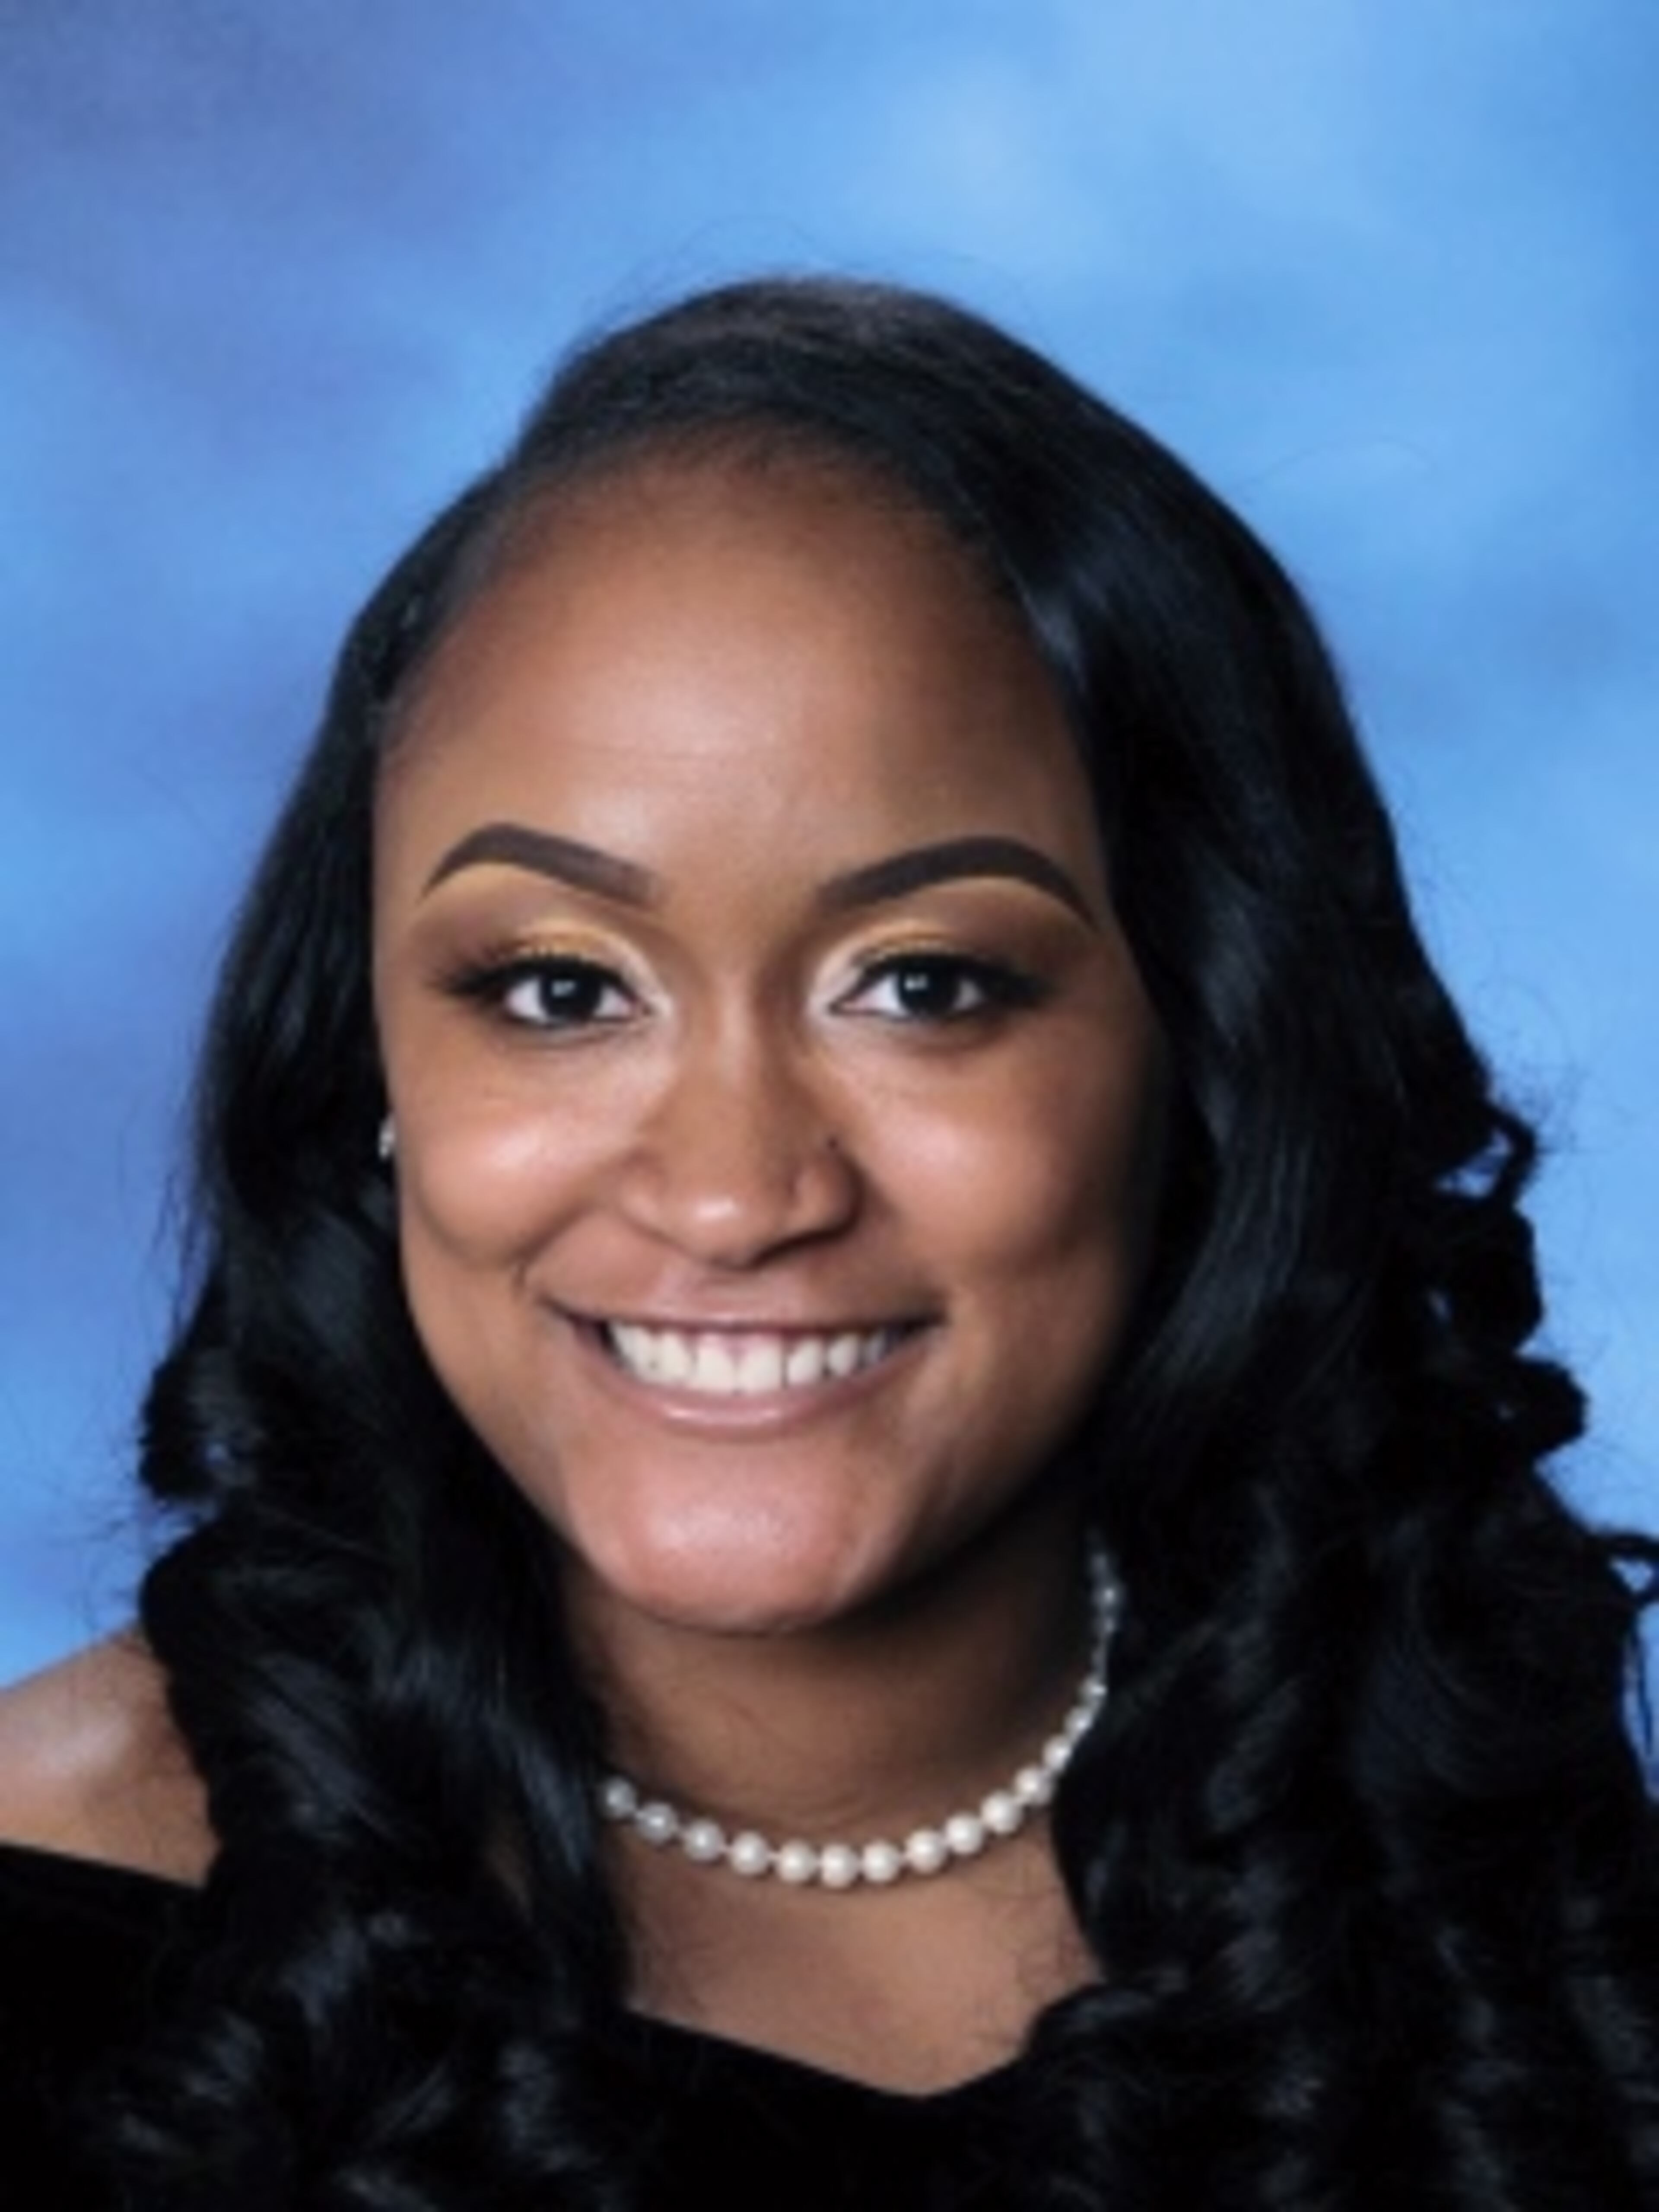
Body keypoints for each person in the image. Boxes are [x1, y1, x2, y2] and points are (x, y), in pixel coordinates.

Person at [0, 274, 1654, 2211]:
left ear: (1209, 1057)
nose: (732, 1192)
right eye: (557, 989)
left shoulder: (1493, 1895)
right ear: (375, 1062)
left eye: (925, 982)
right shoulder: (51, 1919)